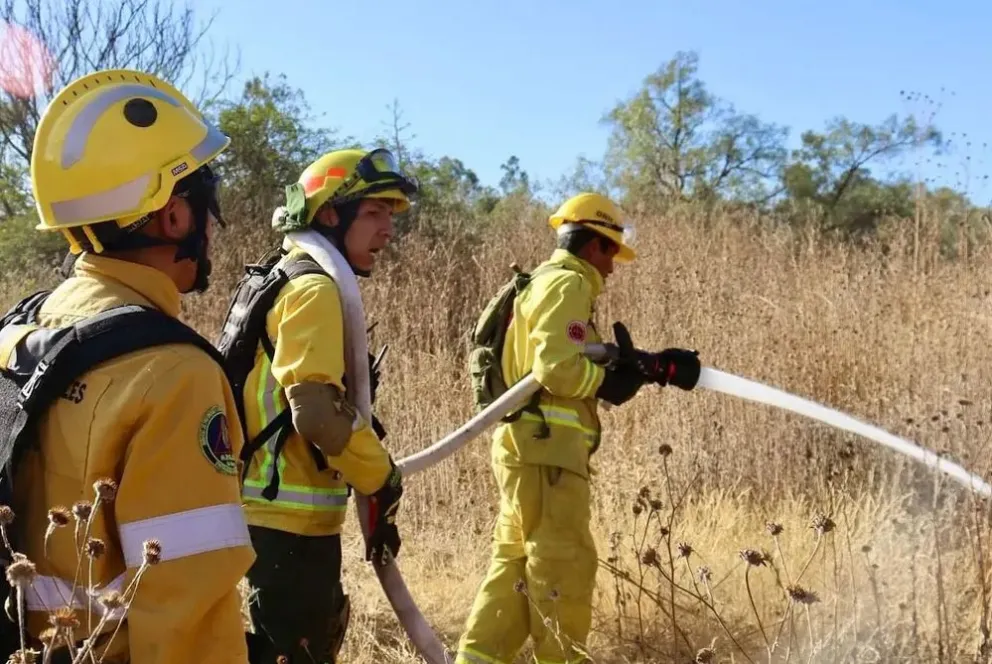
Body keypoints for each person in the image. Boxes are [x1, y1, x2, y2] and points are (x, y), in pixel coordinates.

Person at [0, 69, 254, 662]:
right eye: (206, 207)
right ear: (174, 217)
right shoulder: (174, 377)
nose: (213, 228)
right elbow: (188, 622)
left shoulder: (20, 332)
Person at [456, 192, 701, 664]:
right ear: (594, 246)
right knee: (563, 568)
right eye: (611, 253)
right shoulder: (568, 284)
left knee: (515, 571)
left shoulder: (547, 284)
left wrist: (645, 367)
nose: (613, 267)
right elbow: (558, 370)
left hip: (531, 449)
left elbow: (569, 360)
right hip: (548, 455)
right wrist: (606, 383)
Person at [221, 148, 417, 663]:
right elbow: (314, 411)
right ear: (330, 213)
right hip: (290, 522)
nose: (387, 231)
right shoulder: (313, 288)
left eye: (390, 217)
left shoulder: (287, 275)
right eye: (374, 213)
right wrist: (380, 477)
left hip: (272, 511)